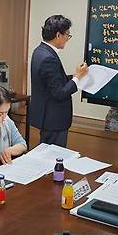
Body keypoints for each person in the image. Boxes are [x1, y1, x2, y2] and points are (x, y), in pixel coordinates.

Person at [29, 15, 89, 147]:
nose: (67, 38)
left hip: (48, 118)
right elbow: (59, 93)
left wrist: (76, 76)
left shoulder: (39, 51)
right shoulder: (48, 58)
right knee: (53, 160)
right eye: (67, 34)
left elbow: (53, 81)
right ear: (58, 35)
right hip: (53, 120)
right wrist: (77, 78)